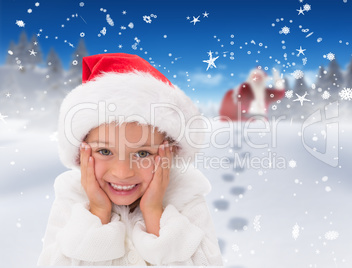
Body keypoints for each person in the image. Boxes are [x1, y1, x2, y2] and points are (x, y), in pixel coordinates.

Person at [37, 53, 223, 266]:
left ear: (168, 154)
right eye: (105, 152)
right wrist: (97, 213)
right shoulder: (72, 202)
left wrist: (155, 213)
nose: (122, 172)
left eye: (142, 153)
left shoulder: (186, 199)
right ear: (82, 153)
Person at [219, 67, 285, 121]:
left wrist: (278, 81)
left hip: (261, 122)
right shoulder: (243, 89)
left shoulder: (266, 93)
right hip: (243, 122)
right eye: (255, 77)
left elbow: (279, 94)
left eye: (259, 77)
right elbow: (238, 104)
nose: (257, 79)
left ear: (263, 79)